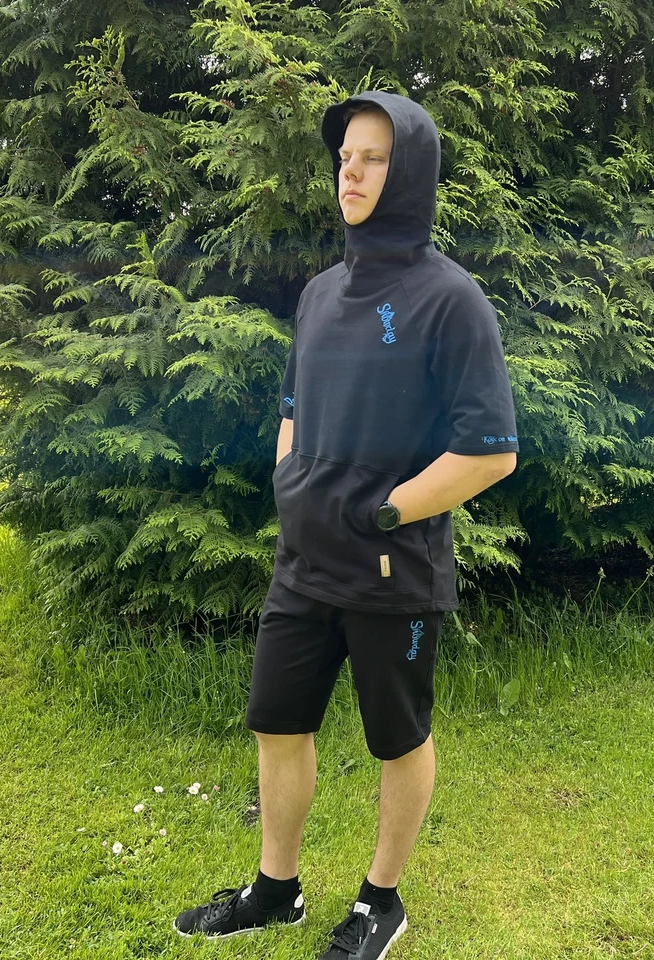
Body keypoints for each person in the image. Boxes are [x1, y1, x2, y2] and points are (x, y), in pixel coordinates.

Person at [173, 89, 520, 959]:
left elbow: (491, 452)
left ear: (410, 172)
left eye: (372, 158)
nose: (350, 174)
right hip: (304, 563)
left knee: (397, 739)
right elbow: (295, 405)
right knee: (276, 723)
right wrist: (292, 480)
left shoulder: (451, 301)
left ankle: (380, 903)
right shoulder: (322, 294)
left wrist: (385, 510)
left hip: (393, 572)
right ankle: (275, 890)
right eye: (343, 158)